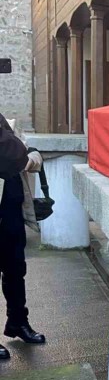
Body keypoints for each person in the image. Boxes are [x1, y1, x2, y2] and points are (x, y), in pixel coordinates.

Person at [0, 114, 46, 360]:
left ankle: (18, 322)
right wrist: (29, 155)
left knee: (16, 268)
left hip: (10, 207)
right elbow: (12, 154)